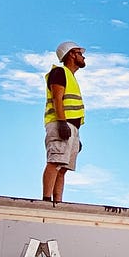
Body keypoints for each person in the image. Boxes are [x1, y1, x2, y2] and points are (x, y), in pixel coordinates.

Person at [42, 40, 86, 204]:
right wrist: (62, 123)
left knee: (63, 168)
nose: (83, 57)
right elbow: (57, 98)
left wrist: (76, 135)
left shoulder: (71, 77)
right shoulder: (60, 72)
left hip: (71, 127)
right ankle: (46, 200)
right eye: (80, 53)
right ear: (72, 54)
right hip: (60, 123)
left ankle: (57, 202)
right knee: (54, 162)